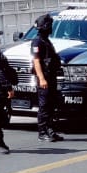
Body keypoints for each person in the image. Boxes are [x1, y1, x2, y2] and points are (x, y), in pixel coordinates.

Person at [30, 14, 65, 142]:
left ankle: (50, 130)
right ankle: (42, 132)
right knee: (44, 106)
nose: (51, 28)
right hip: (44, 78)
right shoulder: (37, 41)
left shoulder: (46, 40)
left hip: (51, 77)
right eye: (49, 26)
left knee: (51, 105)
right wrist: (42, 78)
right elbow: (36, 61)